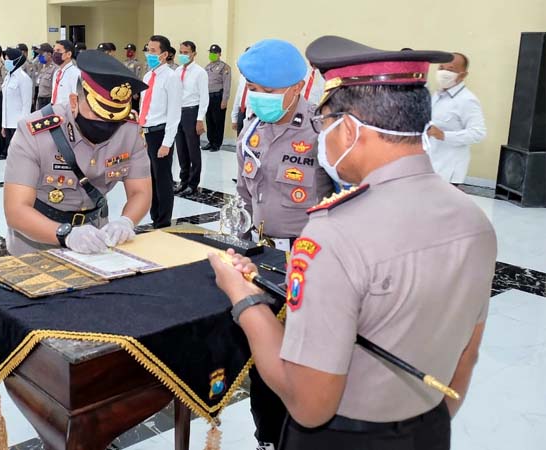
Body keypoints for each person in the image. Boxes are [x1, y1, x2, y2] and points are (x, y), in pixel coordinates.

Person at [209, 35, 497, 450]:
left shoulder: (334, 232)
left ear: (348, 129)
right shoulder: (473, 219)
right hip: (429, 427)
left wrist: (243, 297)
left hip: (342, 436)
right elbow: (466, 355)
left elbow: (310, 406)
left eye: (326, 124)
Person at [233, 38, 335, 448]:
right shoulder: (252, 124)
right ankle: (267, 437)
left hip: (308, 260)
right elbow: (244, 191)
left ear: (297, 86)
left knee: (305, 359)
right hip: (260, 257)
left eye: (269, 91)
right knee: (263, 358)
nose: (259, 97)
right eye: (253, 88)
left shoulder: (322, 129)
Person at [3, 50, 151, 256]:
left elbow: (140, 191)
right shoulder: (35, 132)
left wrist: (126, 221)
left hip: (96, 239)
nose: (105, 125)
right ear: (74, 102)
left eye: (114, 119)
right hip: (37, 241)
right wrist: (67, 235)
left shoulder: (130, 129)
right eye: (96, 114)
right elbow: (16, 210)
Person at [140, 35, 182, 229]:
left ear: (164, 55)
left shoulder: (171, 77)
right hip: (147, 132)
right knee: (151, 178)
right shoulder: (148, 76)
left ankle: (163, 221)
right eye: (148, 50)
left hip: (161, 133)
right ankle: (154, 216)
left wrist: (167, 142)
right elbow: (144, 107)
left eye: (154, 51)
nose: (149, 54)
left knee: (163, 179)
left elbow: (174, 112)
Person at [427, 52, 487, 185]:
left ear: (463, 74)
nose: (443, 72)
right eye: (441, 68)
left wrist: (444, 135)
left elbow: (478, 133)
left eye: (450, 69)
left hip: (448, 171)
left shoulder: (467, 100)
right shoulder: (437, 95)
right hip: (430, 166)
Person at [174, 41, 209, 196]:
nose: (183, 55)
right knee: (181, 149)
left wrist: (200, 119)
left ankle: (193, 184)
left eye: (186, 52)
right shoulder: (177, 71)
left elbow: (204, 97)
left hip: (191, 112)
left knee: (193, 149)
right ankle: (183, 180)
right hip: (177, 112)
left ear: (194, 53)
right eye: (181, 52)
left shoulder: (200, 72)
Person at [1, 47, 34, 160]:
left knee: (19, 156)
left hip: (18, 125)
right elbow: (5, 104)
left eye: (8, 59)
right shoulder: (8, 77)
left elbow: (26, 105)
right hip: (8, 124)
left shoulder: (24, 79)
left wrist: (23, 127)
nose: (6, 62)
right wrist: (3, 125)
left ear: (16, 60)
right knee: (11, 155)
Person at [203, 44, 231, 151]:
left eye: (214, 53)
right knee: (209, 120)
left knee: (218, 121)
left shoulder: (225, 67)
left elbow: (227, 85)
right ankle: (210, 141)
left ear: (219, 54)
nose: (212, 55)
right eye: (211, 53)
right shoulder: (207, 67)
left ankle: (217, 144)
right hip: (208, 97)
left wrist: (225, 100)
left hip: (218, 97)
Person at [51, 40, 82, 106]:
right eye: (54, 51)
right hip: (56, 111)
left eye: (58, 51)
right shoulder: (57, 73)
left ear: (69, 54)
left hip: (68, 113)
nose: (55, 54)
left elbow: (77, 98)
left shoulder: (76, 74)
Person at [231, 46, 253, 136]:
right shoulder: (242, 76)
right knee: (239, 137)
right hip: (241, 111)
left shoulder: (258, 77)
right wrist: (234, 118)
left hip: (252, 112)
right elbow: (238, 96)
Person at [124, 43, 144, 112]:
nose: (128, 52)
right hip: (125, 89)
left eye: (130, 50)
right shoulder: (125, 62)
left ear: (134, 52)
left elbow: (138, 77)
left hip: (133, 90)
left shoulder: (137, 63)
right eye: (127, 50)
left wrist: (135, 91)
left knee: (134, 109)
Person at [34, 43, 55, 110]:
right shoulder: (43, 67)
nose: (40, 56)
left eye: (42, 53)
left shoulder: (55, 68)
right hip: (40, 100)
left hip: (49, 101)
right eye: (39, 54)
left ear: (49, 54)